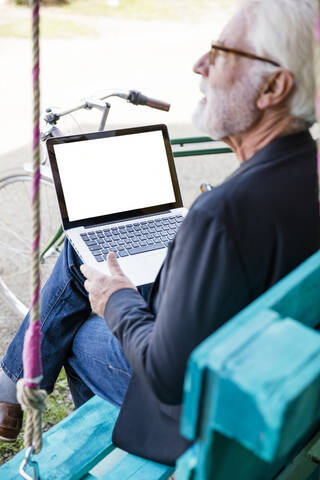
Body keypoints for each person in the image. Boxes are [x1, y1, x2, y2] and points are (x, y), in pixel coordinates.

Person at [0, 0, 319, 466]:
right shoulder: (305, 172)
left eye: (222, 53)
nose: (199, 65)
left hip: (199, 419)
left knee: (79, 322)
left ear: (273, 86)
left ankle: (14, 393)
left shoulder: (221, 215)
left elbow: (167, 378)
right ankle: (10, 390)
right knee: (81, 270)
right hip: (260, 387)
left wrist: (118, 299)